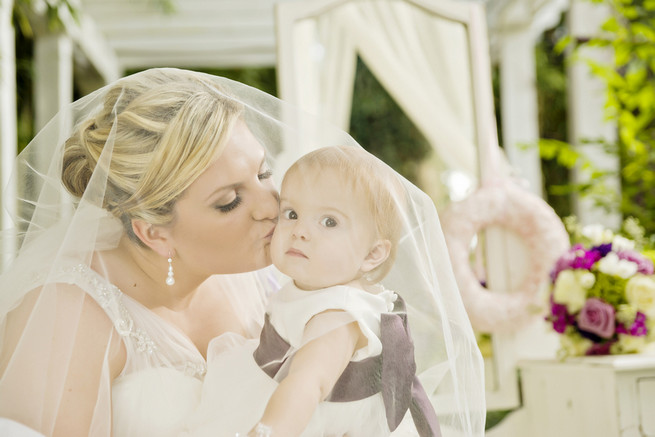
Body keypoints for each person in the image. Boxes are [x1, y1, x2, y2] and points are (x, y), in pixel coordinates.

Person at [0, 68, 485, 437]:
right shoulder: (63, 321)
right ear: (154, 234)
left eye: (263, 172)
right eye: (229, 201)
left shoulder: (262, 274)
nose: (271, 208)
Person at [183, 146, 440, 437]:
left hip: (304, 418)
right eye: (291, 213)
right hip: (279, 391)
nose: (300, 230)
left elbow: (308, 383)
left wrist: (266, 432)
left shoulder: (337, 313)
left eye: (329, 222)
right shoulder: (322, 285)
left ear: (372, 253)